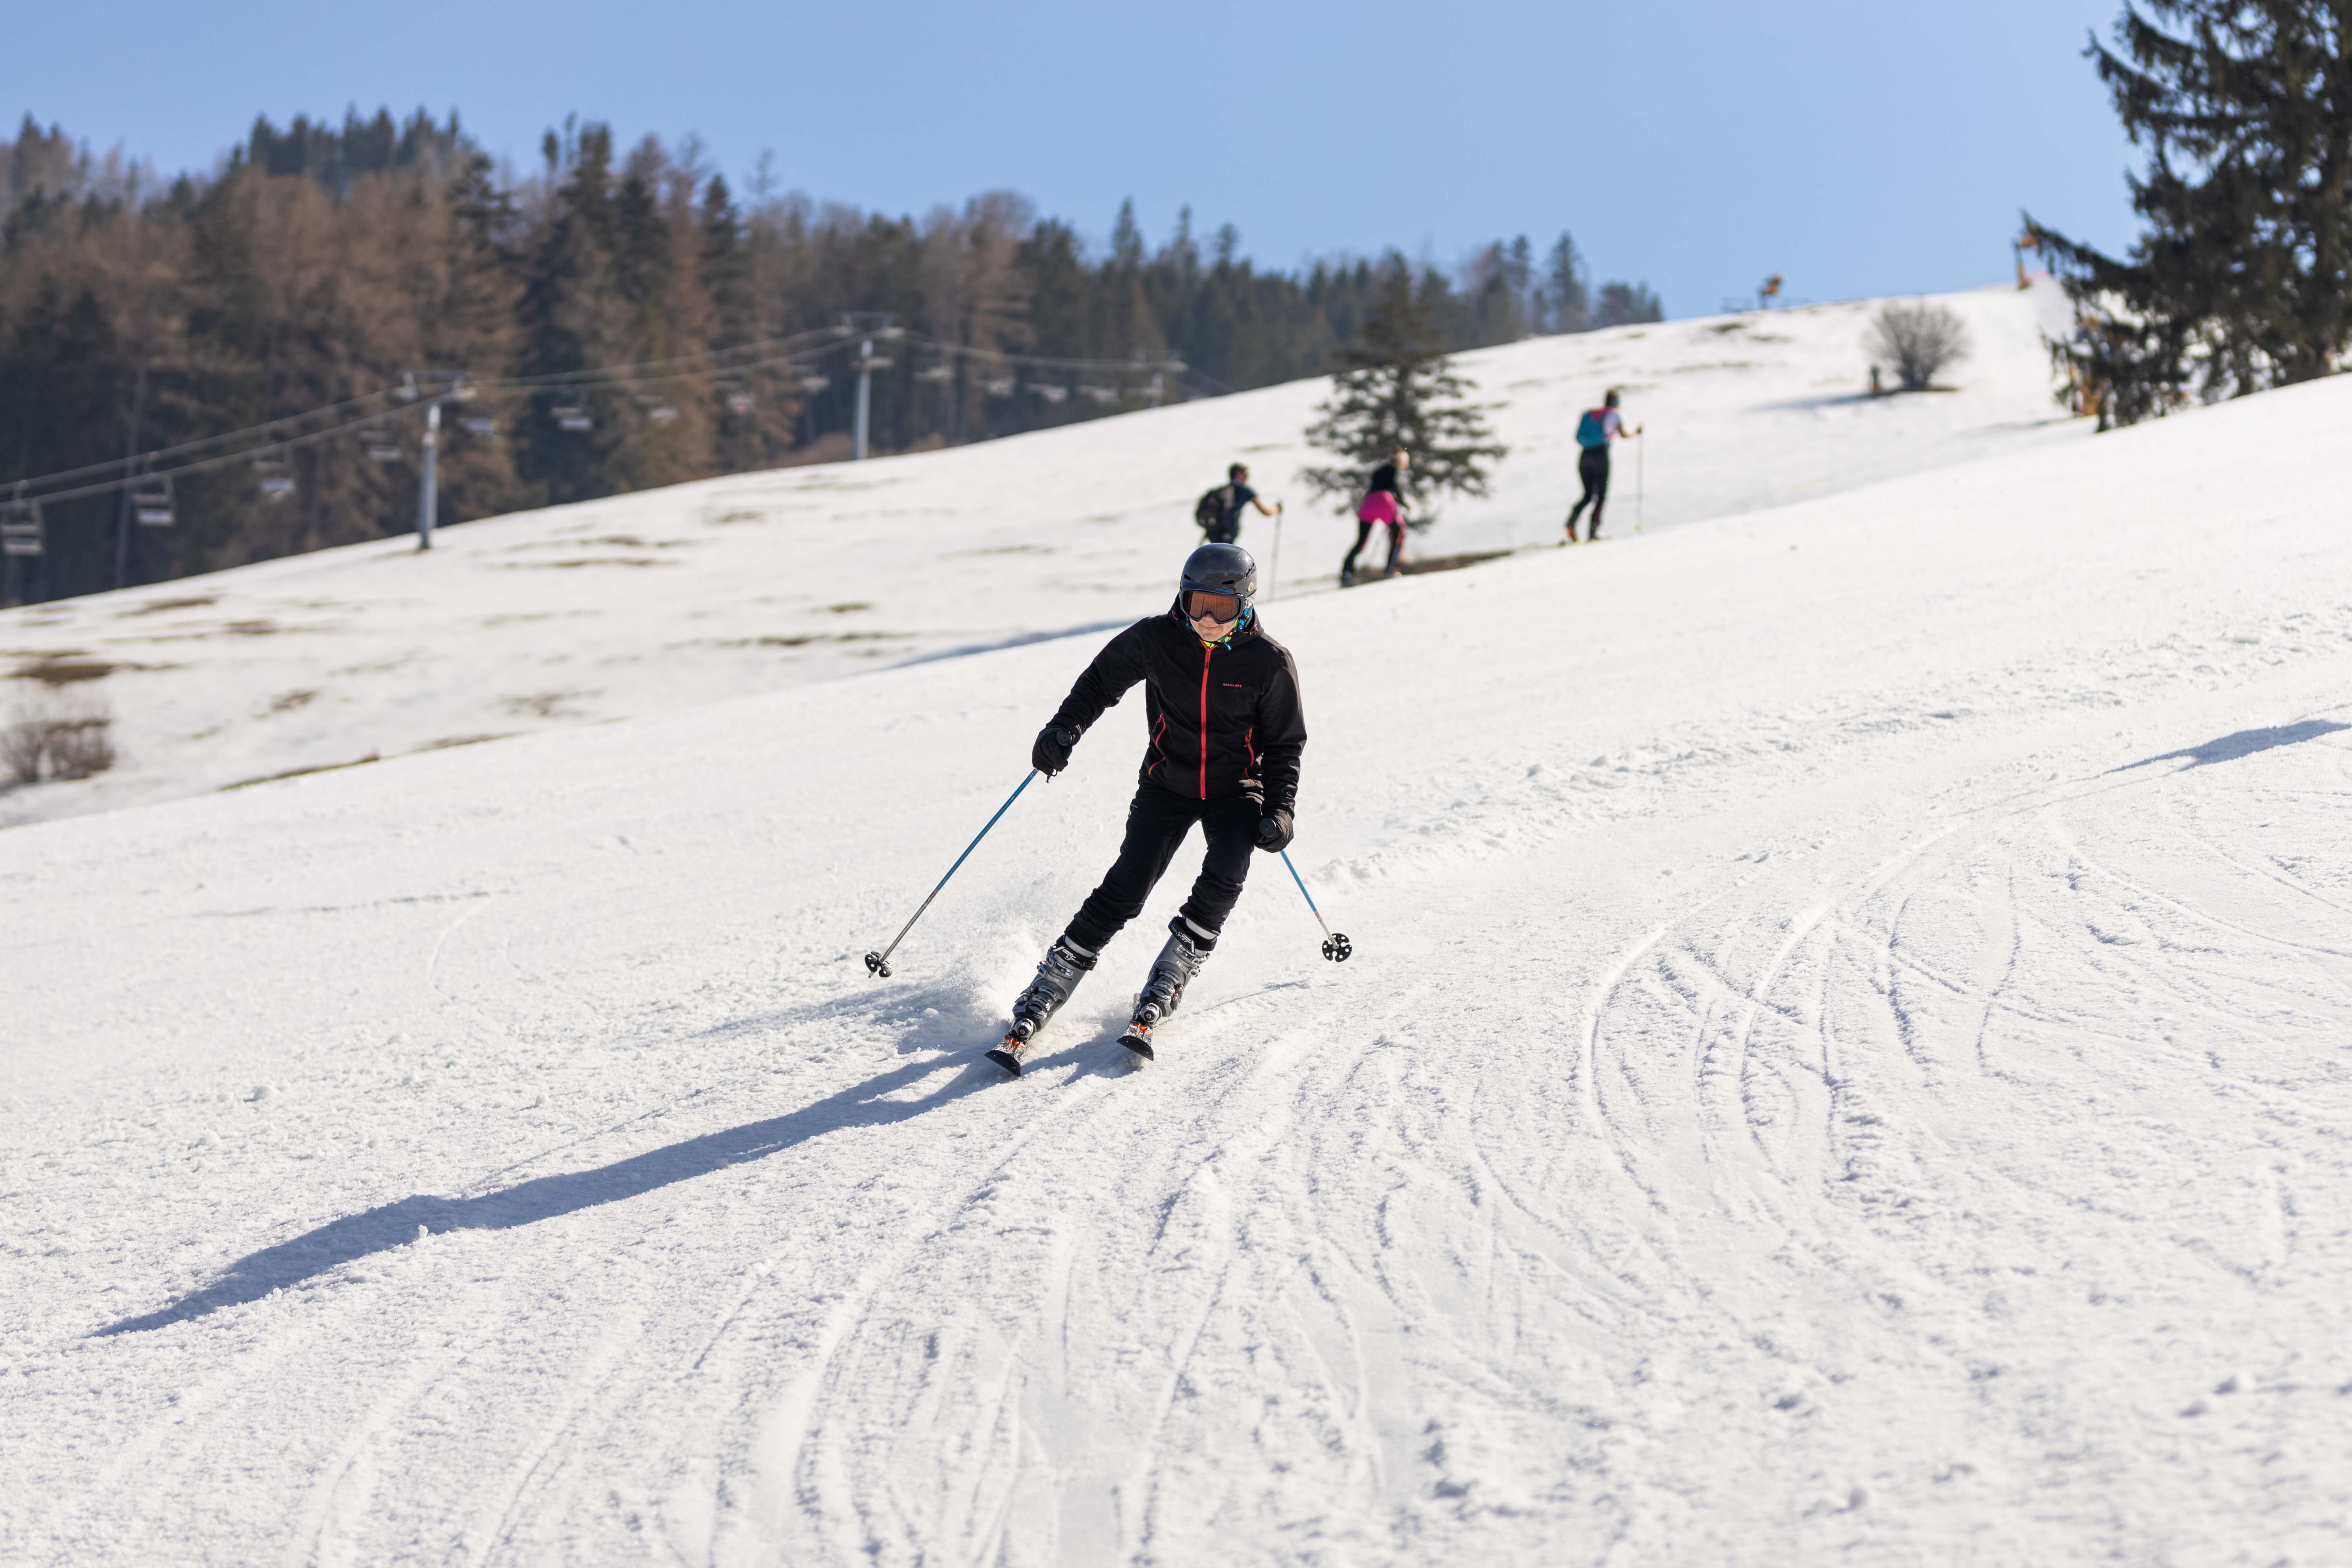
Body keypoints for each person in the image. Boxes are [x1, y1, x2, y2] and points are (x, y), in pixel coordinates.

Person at [997, 543, 1306, 1069]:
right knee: (1128, 883)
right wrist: (1064, 728)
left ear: (1245, 604)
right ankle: (1049, 982)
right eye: (1196, 604)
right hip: (1167, 780)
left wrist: (1280, 810)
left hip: (1235, 787)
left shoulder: (1269, 663)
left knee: (1228, 867)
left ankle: (1173, 971)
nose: (1207, 619)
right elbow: (1100, 682)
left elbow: (1284, 745)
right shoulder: (1157, 638)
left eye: (1222, 608)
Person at [1565, 389, 1639, 543]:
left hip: (1584, 456)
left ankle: (1571, 522)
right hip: (1601, 456)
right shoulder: (1615, 414)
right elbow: (1624, 434)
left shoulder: (1593, 414)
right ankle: (1593, 533)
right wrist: (1637, 433)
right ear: (1617, 402)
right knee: (1601, 496)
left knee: (1587, 495)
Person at [1340, 445, 1410, 587]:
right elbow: (1395, 485)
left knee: (1361, 541)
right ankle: (1391, 569)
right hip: (1384, 501)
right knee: (1398, 532)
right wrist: (1404, 503)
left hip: (1368, 502)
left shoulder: (1379, 471)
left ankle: (1346, 572)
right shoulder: (1395, 469)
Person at [1199, 462, 1281, 545]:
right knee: (1227, 552)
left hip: (1213, 532)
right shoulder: (1245, 491)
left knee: (1216, 551)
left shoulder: (1220, 490)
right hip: (1229, 531)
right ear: (1239, 475)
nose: (1248, 477)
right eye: (1246, 474)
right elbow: (1266, 512)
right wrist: (1277, 508)